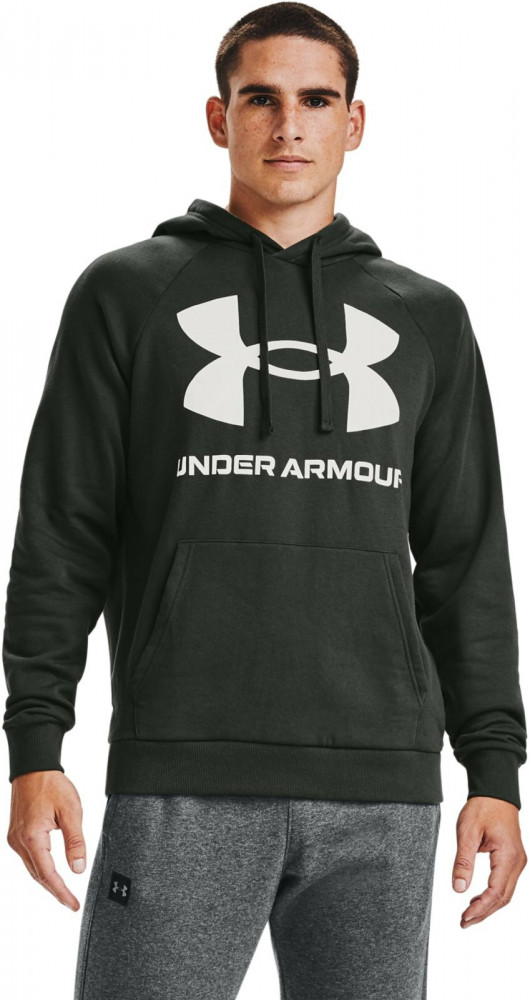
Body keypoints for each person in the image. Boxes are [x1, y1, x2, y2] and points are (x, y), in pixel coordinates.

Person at [2, 3, 527, 998]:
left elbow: (466, 559)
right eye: (261, 99)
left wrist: (493, 771)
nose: (289, 126)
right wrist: (36, 744)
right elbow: (63, 531)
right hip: (182, 773)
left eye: (316, 101)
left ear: (353, 123)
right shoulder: (127, 295)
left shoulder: (427, 319)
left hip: (383, 790)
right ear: (220, 117)